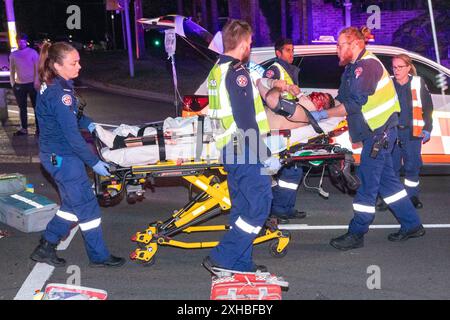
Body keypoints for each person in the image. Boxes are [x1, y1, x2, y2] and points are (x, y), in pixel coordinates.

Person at [312, 27, 425, 250]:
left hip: (379, 135)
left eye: (340, 44)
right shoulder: (353, 68)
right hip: (376, 134)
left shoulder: (367, 66)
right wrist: (318, 105)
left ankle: (357, 232)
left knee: (367, 185)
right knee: (388, 183)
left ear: (354, 44)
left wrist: (324, 114)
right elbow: (342, 99)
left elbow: (354, 104)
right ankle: (412, 224)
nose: (337, 49)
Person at [30, 41, 125, 268]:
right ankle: (99, 255)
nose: (79, 66)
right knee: (88, 208)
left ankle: (46, 246)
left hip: (56, 156)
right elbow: (72, 135)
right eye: (74, 63)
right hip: (63, 157)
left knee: (72, 206)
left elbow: (70, 116)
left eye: (79, 61)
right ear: (56, 65)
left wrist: (89, 123)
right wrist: (94, 162)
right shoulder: (59, 92)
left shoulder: (56, 85)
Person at [202, 19, 280, 273]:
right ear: (245, 43)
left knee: (243, 207)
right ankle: (223, 257)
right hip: (243, 146)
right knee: (259, 205)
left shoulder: (217, 70)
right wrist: (265, 154)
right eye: (251, 43)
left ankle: (240, 263)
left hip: (230, 147)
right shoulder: (237, 72)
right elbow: (245, 118)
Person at [262, 38, 305, 224]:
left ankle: (286, 208)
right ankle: (279, 209)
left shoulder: (289, 70)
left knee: (294, 168)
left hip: (289, 126)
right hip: (279, 126)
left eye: (292, 50)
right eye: (287, 50)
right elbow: (267, 84)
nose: (291, 53)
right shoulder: (276, 69)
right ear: (278, 53)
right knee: (287, 169)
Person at [389, 54, 433, 209]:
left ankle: (412, 197)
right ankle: (391, 200)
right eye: (394, 67)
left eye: (400, 67)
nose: (396, 70)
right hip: (392, 133)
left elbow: (428, 108)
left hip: (412, 133)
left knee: (412, 168)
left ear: (408, 67)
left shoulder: (417, 82)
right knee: (391, 168)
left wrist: (427, 128)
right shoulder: (388, 83)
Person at [9, 33, 40, 136]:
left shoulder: (33, 53)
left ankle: (39, 129)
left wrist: (36, 81)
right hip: (19, 85)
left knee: (37, 107)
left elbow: (37, 68)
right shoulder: (14, 54)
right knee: (22, 107)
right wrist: (13, 83)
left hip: (32, 84)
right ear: (16, 41)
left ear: (26, 42)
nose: (21, 43)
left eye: (23, 41)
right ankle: (24, 129)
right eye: (19, 41)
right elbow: (12, 70)